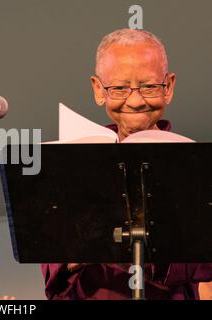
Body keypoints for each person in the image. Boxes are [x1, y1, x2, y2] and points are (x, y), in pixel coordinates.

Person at [41, 28, 212, 300]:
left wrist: (129, 246)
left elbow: (203, 264)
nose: (135, 101)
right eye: (119, 88)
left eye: (149, 87)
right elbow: (52, 269)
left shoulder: (195, 165)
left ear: (169, 87)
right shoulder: (74, 158)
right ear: (99, 89)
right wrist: (74, 255)